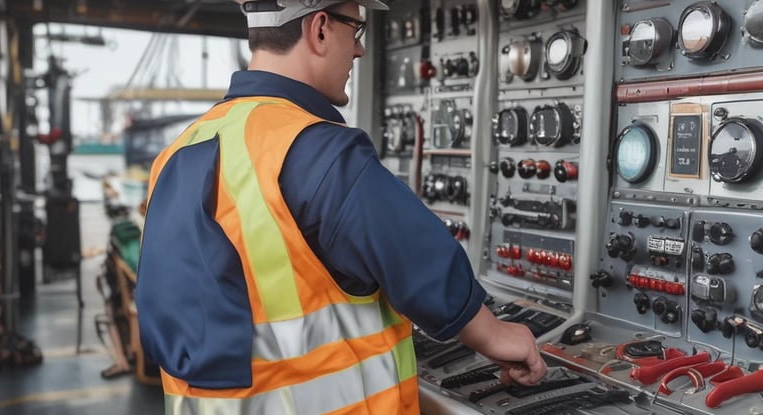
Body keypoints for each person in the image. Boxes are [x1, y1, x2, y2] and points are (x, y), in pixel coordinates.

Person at [135, 0, 547, 414]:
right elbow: (419, 259)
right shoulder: (318, 149)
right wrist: (494, 334)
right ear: (319, 29)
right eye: (356, 30)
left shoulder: (177, 152)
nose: (359, 50)